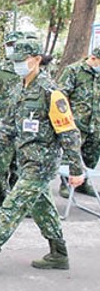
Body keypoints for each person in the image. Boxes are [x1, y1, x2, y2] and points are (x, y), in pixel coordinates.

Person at [0, 39, 85, 272]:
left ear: (36, 59)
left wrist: (77, 169)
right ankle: (59, 253)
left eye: (22, 60)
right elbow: (8, 126)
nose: (17, 65)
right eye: (14, 60)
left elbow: (69, 132)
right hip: (25, 159)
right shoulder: (19, 88)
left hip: (42, 163)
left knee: (13, 205)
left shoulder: (51, 93)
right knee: (42, 207)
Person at [0, 31, 25, 209]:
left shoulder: (31, 70)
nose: (13, 48)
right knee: (1, 168)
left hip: (26, 129)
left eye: (17, 44)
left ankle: (16, 201)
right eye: (10, 45)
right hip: (4, 128)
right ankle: (2, 201)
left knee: (20, 167)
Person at [58, 46, 100, 197]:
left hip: (96, 123)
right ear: (93, 58)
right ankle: (65, 183)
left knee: (92, 155)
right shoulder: (74, 71)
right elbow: (61, 96)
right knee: (71, 154)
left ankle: (84, 182)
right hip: (76, 123)